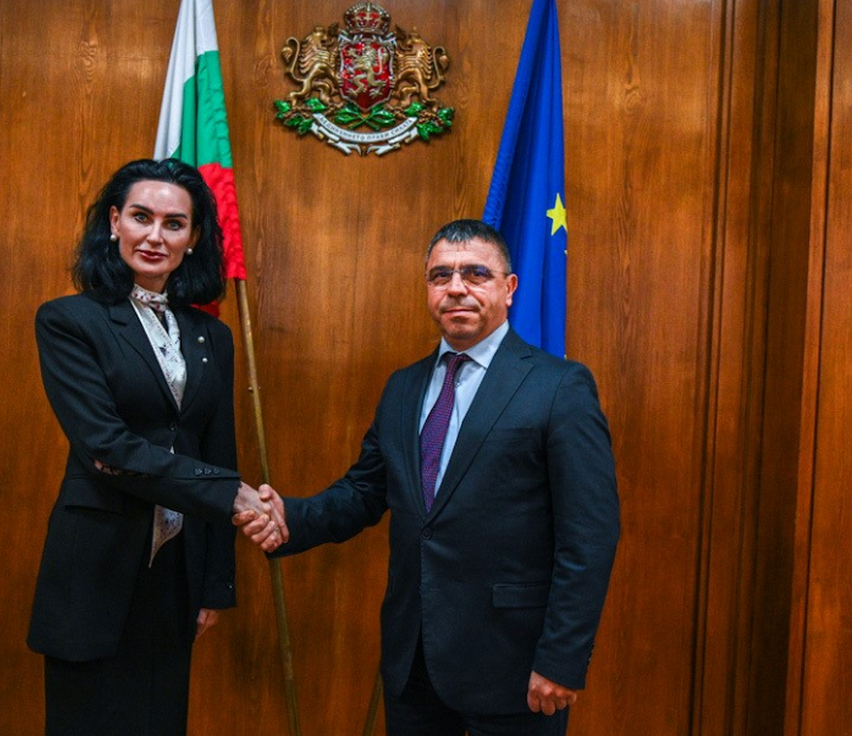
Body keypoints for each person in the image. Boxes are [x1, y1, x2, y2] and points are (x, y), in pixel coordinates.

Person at [239, 219, 619, 735]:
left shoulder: (559, 386)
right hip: (413, 662)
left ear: (509, 288)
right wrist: (291, 516)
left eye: (475, 273)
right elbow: (364, 492)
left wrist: (563, 658)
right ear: (428, 288)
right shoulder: (404, 386)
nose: (456, 287)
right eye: (441, 275)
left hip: (516, 665)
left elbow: (589, 536)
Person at [28, 157, 285, 736]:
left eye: (174, 224)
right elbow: (107, 446)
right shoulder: (69, 321)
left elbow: (218, 450)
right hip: (95, 566)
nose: (155, 236)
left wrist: (215, 582)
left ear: (193, 238)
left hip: (176, 570)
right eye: (141, 217)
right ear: (114, 222)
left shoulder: (212, 335)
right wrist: (233, 495)